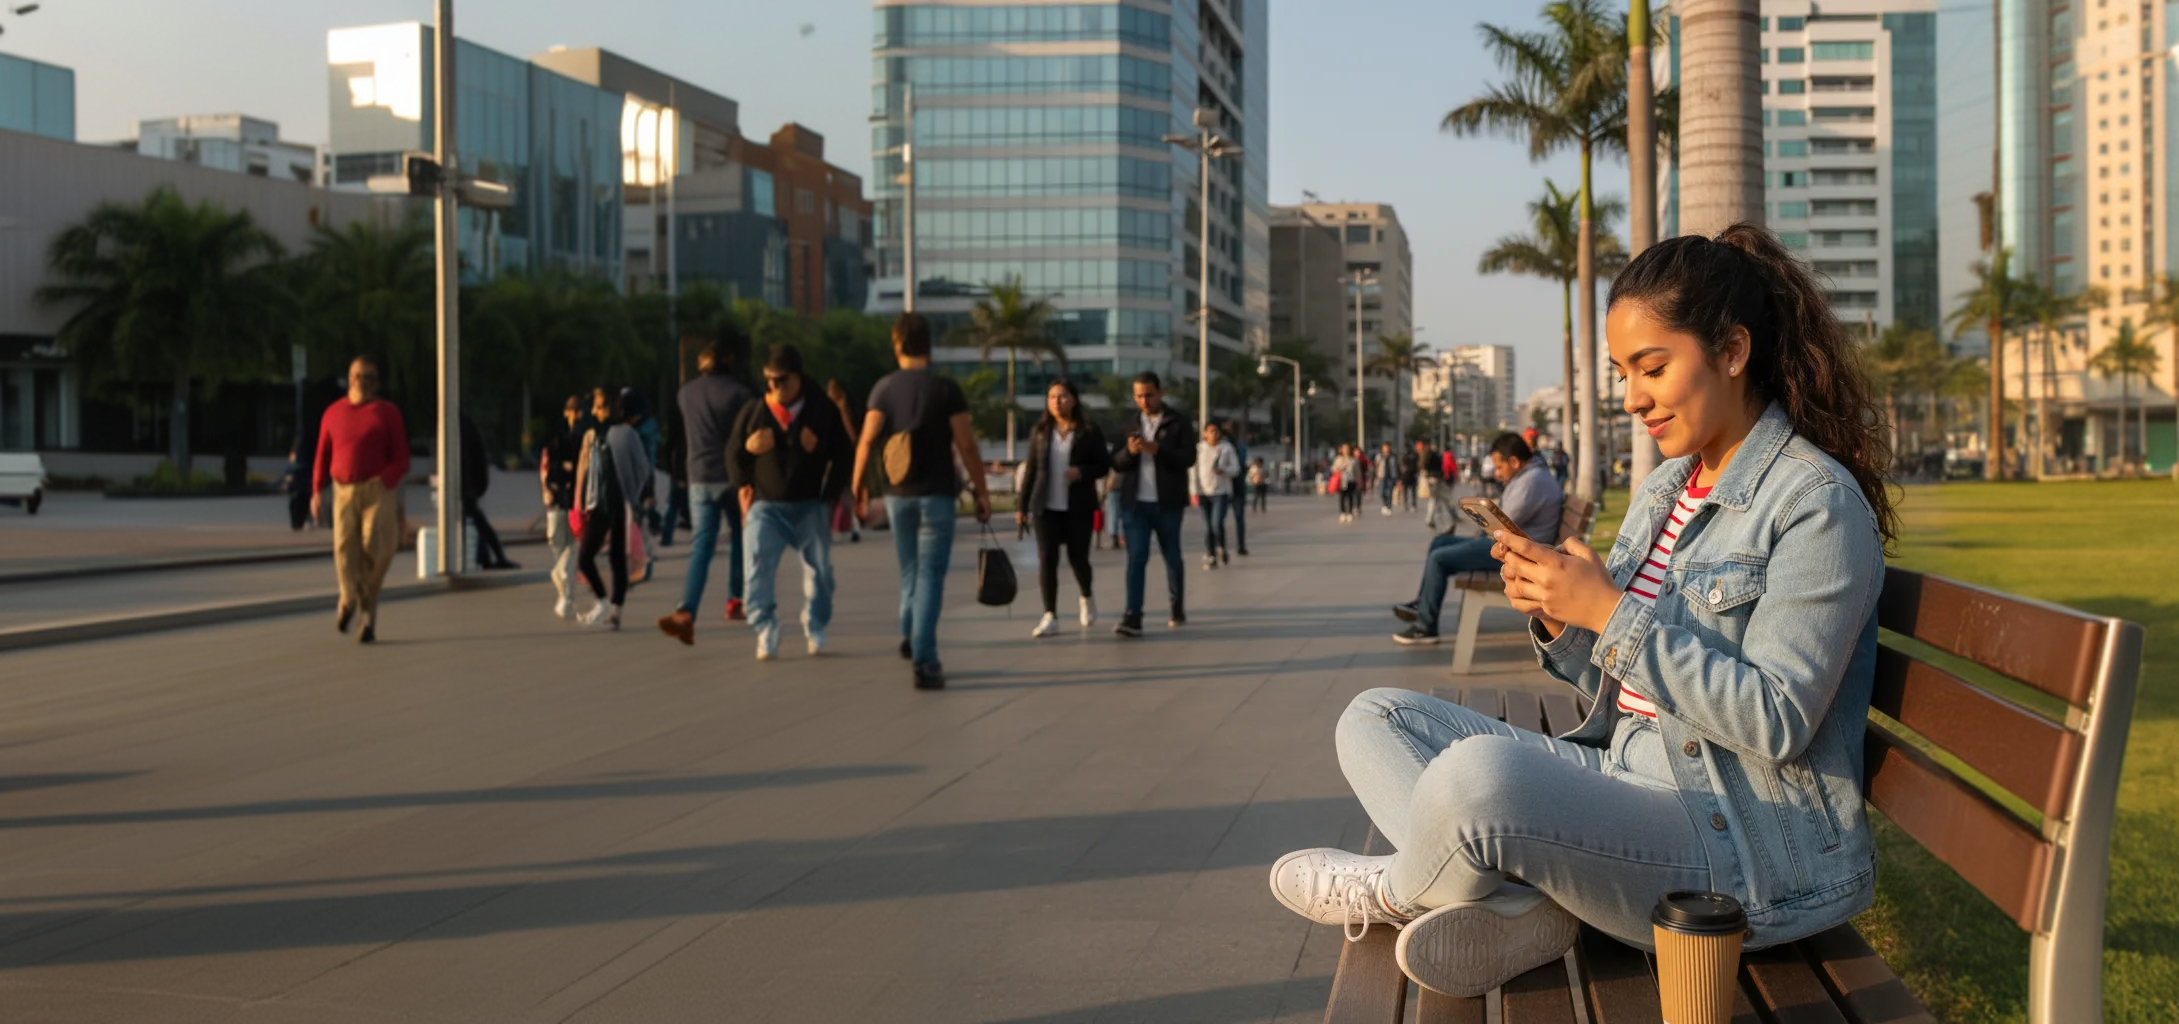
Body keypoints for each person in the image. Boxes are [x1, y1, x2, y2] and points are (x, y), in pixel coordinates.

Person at [1268, 224, 1895, 999]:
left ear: (1732, 351)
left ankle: (1394, 891)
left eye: (1651, 368)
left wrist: (1610, 612)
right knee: (1373, 717)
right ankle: (1522, 904)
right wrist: (1561, 619)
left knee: (1476, 778)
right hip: (1625, 769)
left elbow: (1775, 719)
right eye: (1621, 372)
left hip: (1739, 846)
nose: (1631, 398)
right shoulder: (1668, 488)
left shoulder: (1813, 504)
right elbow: (1614, 682)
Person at [853, 312, 992, 690]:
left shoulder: (882, 389)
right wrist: (982, 492)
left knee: (910, 570)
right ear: (928, 346)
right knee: (930, 574)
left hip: (898, 497)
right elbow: (967, 445)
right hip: (937, 496)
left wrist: (858, 486)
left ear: (896, 345)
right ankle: (925, 659)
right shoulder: (946, 390)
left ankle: (909, 637)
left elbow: (866, 441)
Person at [731, 344, 854, 661]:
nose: (774, 387)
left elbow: (843, 455)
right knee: (755, 566)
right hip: (766, 507)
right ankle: (764, 625)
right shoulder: (756, 410)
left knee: (821, 573)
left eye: (782, 380)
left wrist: (830, 497)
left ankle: (815, 623)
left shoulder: (822, 409)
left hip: (809, 505)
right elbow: (731, 454)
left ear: (798, 378)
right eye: (769, 381)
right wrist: (747, 458)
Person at [1389, 432, 1562, 645]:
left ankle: (1426, 627)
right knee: (1440, 542)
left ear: (1515, 462)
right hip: (1509, 547)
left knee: (1439, 558)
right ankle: (1422, 604)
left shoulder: (1532, 481)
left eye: (1500, 467)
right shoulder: (1530, 476)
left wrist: (1484, 523)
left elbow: (1505, 519)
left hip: (1516, 556)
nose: (1497, 473)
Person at [657, 333, 756, 644]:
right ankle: (735, 600)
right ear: (729, 362)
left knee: (702, 546)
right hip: (731, 476)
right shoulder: (740, 394)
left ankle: (686, 610)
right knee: (740, 536)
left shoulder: (685, 394)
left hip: (698, 476)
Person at [311, 356, 409, 644]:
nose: (361, 382)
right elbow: (321, 455)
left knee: (375, 545)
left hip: (377, 490)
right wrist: (317, 491)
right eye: (357, 376)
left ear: (376, 383)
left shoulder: (387, 413)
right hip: (343, 489)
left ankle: (366, 612)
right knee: (344, 548)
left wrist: (386, 479)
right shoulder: (333, 413)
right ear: (349, 378)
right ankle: (348, 598)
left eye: (368, 378)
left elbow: (401, 457)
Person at [1017, 378, 1111, 638]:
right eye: (1051, 397)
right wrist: (1021, 506)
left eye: (1062, 397)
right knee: (1047, 559)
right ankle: (1050, 615)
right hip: (1045, 506)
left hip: (1077, 506)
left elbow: (1104, 465)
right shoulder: (1040, 431)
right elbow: (1031, 470)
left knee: (1078, 558)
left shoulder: (1088, 431)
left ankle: (1086, 596)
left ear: (1074, 399)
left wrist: (1081, 472)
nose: (1056, 402)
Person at [1109, 371, 1195, 636]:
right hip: (1135, 504)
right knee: (1136, 558)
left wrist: (1159, 450)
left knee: (1172, 556)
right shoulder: (1129, 424)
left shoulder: (1178, 422)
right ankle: (1133, 615)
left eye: (1149, 395)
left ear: (1161, 393)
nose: (1144, 401)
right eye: (1138, 396)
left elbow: (1188, 458)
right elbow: (1116, 462)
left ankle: (1176, 605)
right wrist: (1130, 452)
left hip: (1167, 502)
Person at [573, 387, 652, 630]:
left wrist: (633, 496)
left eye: (602, 407)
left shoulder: (625, 433)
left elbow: (643, 468)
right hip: (597, 503)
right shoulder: (592, 434)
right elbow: (585, 468)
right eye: (596, 407)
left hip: (618, 503)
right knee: (585, 558)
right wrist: (579, 500)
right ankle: (604, 602)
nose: (597, 412)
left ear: (614, 407)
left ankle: (614, 608)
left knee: (617, 558)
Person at [540, 395, 587, 619]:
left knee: (572, 547)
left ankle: (567, 598)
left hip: (576, 502)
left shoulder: (585, 438)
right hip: (558, 500)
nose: (575, 416)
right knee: (558, 547)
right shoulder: (556, 438)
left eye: (578, 412)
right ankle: (566, 597)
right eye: (572, 411)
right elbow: (549, 470)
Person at [459, 414, 517, 570]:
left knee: (475, 522)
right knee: (477, 522)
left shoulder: (457, 425)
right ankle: (486, 557)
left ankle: (486, 557)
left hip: (465, 485)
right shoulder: (465, 424)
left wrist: (467, 485)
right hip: (469, 484)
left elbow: (465, 457)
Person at [1188, 421, 1239, 569]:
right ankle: (1210, 554)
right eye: (1210, 431)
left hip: (1221, 492)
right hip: (1204, 492)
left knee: (1217, 524)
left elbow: (1235, 469)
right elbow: (1193, 472)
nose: (1213, 435)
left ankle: (1221, 547)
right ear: (1204, 433)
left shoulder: (1226, 448)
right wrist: (1193, 492)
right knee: (1207, 526)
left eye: (1216, 431)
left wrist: (1224, 470)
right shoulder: (1199, 450)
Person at [825, 378, 863, 544]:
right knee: (845, 494)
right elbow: (851, 433)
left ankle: (826, 528)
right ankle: (855, 526)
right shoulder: (843, 407)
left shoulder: (827, 408)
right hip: (845, 454)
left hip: (831, 455)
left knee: (830, 494)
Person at [1226, 421, 1252, 555]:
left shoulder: (1225, 446)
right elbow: (1243, 464)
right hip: (1234, 485)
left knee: (1221, 520)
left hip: (1230, 485)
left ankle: (1232, 545)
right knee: (1238, 519)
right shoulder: (1240, 446)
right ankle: (1240, 545)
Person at [280, 443, 311, 531]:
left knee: (296, 505)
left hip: (299, 489)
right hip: (301, 489)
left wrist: (286, 484)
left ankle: (297, 523)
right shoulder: (302, 464)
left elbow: (288, 477)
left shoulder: (296, 465)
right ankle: (298, 522)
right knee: (298, 505)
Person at [1330, 444, 1361, 523]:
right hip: (1342, 481)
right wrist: (1340, 468)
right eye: (1344, 449)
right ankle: (1343, 513)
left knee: (1350, 497)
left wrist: (1359, 480)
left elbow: (1357, 471)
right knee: (1342, 497)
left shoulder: (1353, 460)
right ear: (1342, 450)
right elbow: (1333, 469)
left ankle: (1350, 513)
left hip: (1351, 480)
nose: (1346, 450)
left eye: (1347, 448)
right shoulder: (1338, 459)